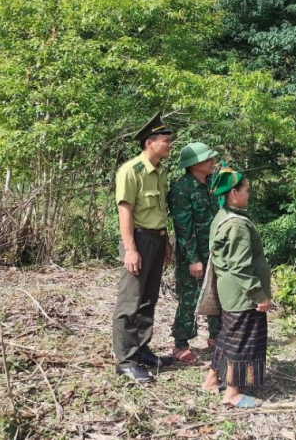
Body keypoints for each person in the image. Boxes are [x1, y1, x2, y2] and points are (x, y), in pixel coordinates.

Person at [201, 167, 271, 409]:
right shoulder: (237, 225)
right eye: (246, 191)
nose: (248, 195)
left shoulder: (221, 216)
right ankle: (232, 393)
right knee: (244, 341)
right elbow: (241, 266)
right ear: (233, 194)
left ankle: (213, 379)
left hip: (229, 291)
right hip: (242, 294)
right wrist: (258, 295)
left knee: (228, 337)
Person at [112, 112, 175, 382]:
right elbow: (125, 212)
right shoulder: (131, 171)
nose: (170, 145)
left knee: (149, 299)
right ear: (151, 142)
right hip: (138, 240)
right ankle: (125, 360)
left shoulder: (160, 172)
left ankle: (141, 350)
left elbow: (160, 211)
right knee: (130, 302)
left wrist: (167, 242)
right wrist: (130, 250)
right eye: (166, 140)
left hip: (157, 239)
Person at [169, 142, 220, 363]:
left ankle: (216, 337)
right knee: (189, 299)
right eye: (208, 159)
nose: (212, 162)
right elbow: (183, 228)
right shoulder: (181, 189)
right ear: (195, 164)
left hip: (215, 252)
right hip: (194, 256)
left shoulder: (210, 184)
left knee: (216, 295)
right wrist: (193, 259)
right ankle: (180, 344)